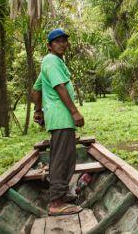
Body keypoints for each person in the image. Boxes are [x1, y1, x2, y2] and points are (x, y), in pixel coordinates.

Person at [31, 28, 85, 216]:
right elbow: (59, 87)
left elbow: (36, 88)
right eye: (57, 41)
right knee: (63, 159)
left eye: (64, 41)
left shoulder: (52, 62)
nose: (62, 44)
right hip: (62, 118)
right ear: (49, 46)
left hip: (59, 119)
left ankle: (60, 194)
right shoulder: (51, 61)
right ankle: (56, 203)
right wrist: (75, 111)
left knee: (63, 157)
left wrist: (38, 111)